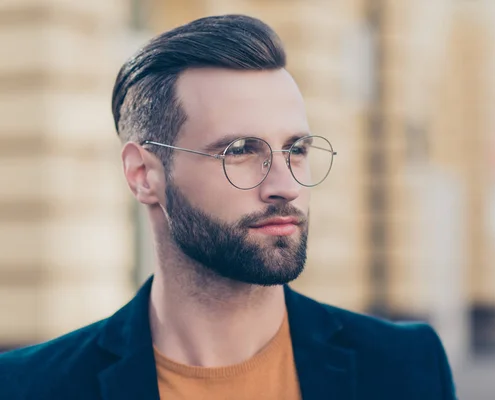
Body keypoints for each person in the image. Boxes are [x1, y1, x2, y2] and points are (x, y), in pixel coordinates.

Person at [0, 14, 456, 400]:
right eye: (239, 150)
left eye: (296, 149)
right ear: (144, 175)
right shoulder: (30, 386)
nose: (285, 185)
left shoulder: (406, 368)